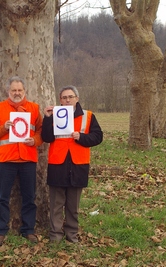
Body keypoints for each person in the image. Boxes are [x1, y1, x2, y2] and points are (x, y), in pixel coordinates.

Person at [41, 85, 103, 243]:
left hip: (78, 166)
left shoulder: (88, 116)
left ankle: (72, 236)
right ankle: (55, 236)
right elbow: (46, 137)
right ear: (60, 100)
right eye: (64, 97)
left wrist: (81, 137)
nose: (67, 100)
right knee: (55, 205)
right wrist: (47, 118)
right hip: (57, 165)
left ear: (77, 98)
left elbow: (98, 137)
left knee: (73, 207)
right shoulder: (54, 115)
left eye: (70, 97)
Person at [0, 76, 43, 246]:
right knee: (3, 197)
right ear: (8, 91)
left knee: (29, 197)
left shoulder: (34, 109)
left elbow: (41, 131)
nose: (17, 93)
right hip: (6, 160)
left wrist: (36, 141)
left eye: (20, 90)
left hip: (27, 159)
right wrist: (3, 128)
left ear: (24, 91)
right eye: (14, 90)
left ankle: (29, 230)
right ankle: (1, 230)